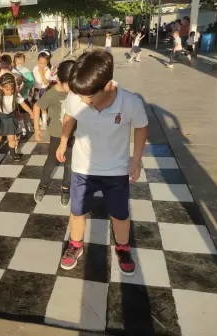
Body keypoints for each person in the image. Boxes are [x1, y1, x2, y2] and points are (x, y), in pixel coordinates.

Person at [56, 50, 148, 274]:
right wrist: (63, 141)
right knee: (77, 211)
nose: (83, 101)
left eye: (88, 97)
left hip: (116, 170)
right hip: (82, 168)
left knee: (120, 214)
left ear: (107, 86)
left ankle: (123, 247)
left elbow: (141, 127)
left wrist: (136, 160)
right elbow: (69, 117)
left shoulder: (130, 102)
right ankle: (76, 244)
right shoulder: (77, 96)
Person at [33, 60, 75, 207]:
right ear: (59, 80)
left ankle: (65, 188)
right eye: (69, 84)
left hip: (74, 135)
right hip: (57, 134)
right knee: (51, 162)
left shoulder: (77, 91)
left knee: (70, 164)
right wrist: (37, 128)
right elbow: (37, 106)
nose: (72, 88)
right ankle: (43, 185)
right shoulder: (52, 94)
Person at [0, 73, 32, 162]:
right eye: (7, 89)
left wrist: (31, 112)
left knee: (11, 137)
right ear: (1, 87)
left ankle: (12, 153)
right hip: (0, 118)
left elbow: (23, 104)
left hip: (10, 118)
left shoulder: (15, 95)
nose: (10, 91)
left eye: (12, 89)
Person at [33, 50, 52, 129]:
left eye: (44, 63)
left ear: (47, 62)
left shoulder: (48, 70)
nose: (42, 65)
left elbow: (46, 82)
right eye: (40, 63)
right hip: (36, 89)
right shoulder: (35, 68)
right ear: (37, 61)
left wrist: (41, 73)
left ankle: (44, 122)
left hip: (43, 89)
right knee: (35, 105)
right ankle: (38, 120)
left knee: (43, 106)